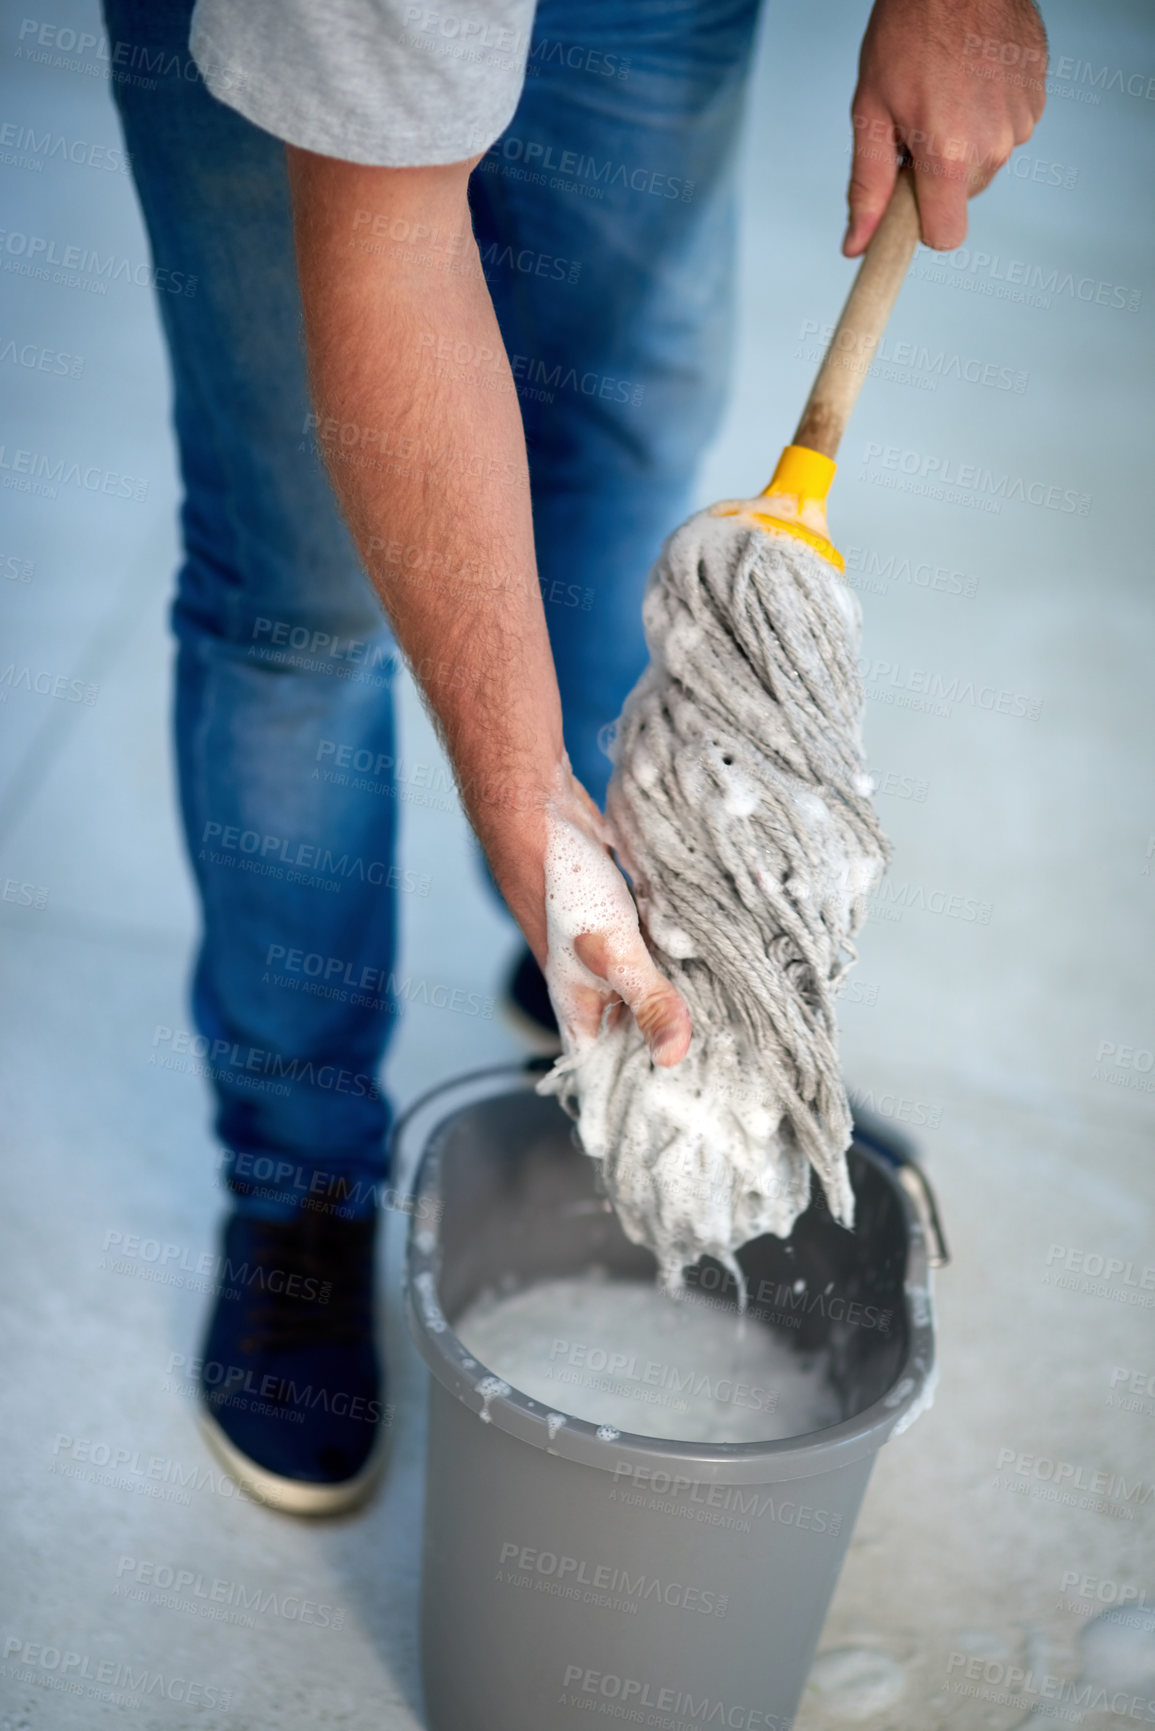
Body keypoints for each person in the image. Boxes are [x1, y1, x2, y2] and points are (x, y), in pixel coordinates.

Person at [105, 0, 1045, 1514]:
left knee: (615, 472)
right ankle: (297, 1182)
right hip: (310, 44)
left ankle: (606, 987)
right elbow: (388, 246)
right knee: (299, 599)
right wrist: (523, 794)